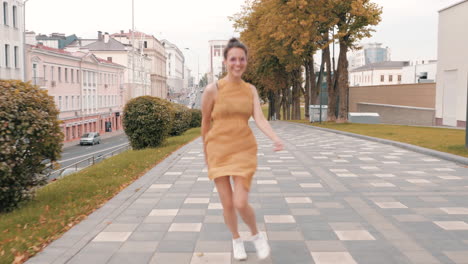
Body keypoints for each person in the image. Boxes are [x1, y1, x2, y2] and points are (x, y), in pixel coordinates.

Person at [201, 38, 284, 261]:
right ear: (226, 62)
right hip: (218, 150)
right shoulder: (213, 89)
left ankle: (256, 235)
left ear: (246, 61)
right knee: (227, 203)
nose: (238, 63)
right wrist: (206, 155)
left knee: (239, 202)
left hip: (244, 150)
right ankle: (236, 239)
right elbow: (205, 124)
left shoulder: (250, 90)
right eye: (233, 59)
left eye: (242, 59)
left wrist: (275, 138)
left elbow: (259, 118)